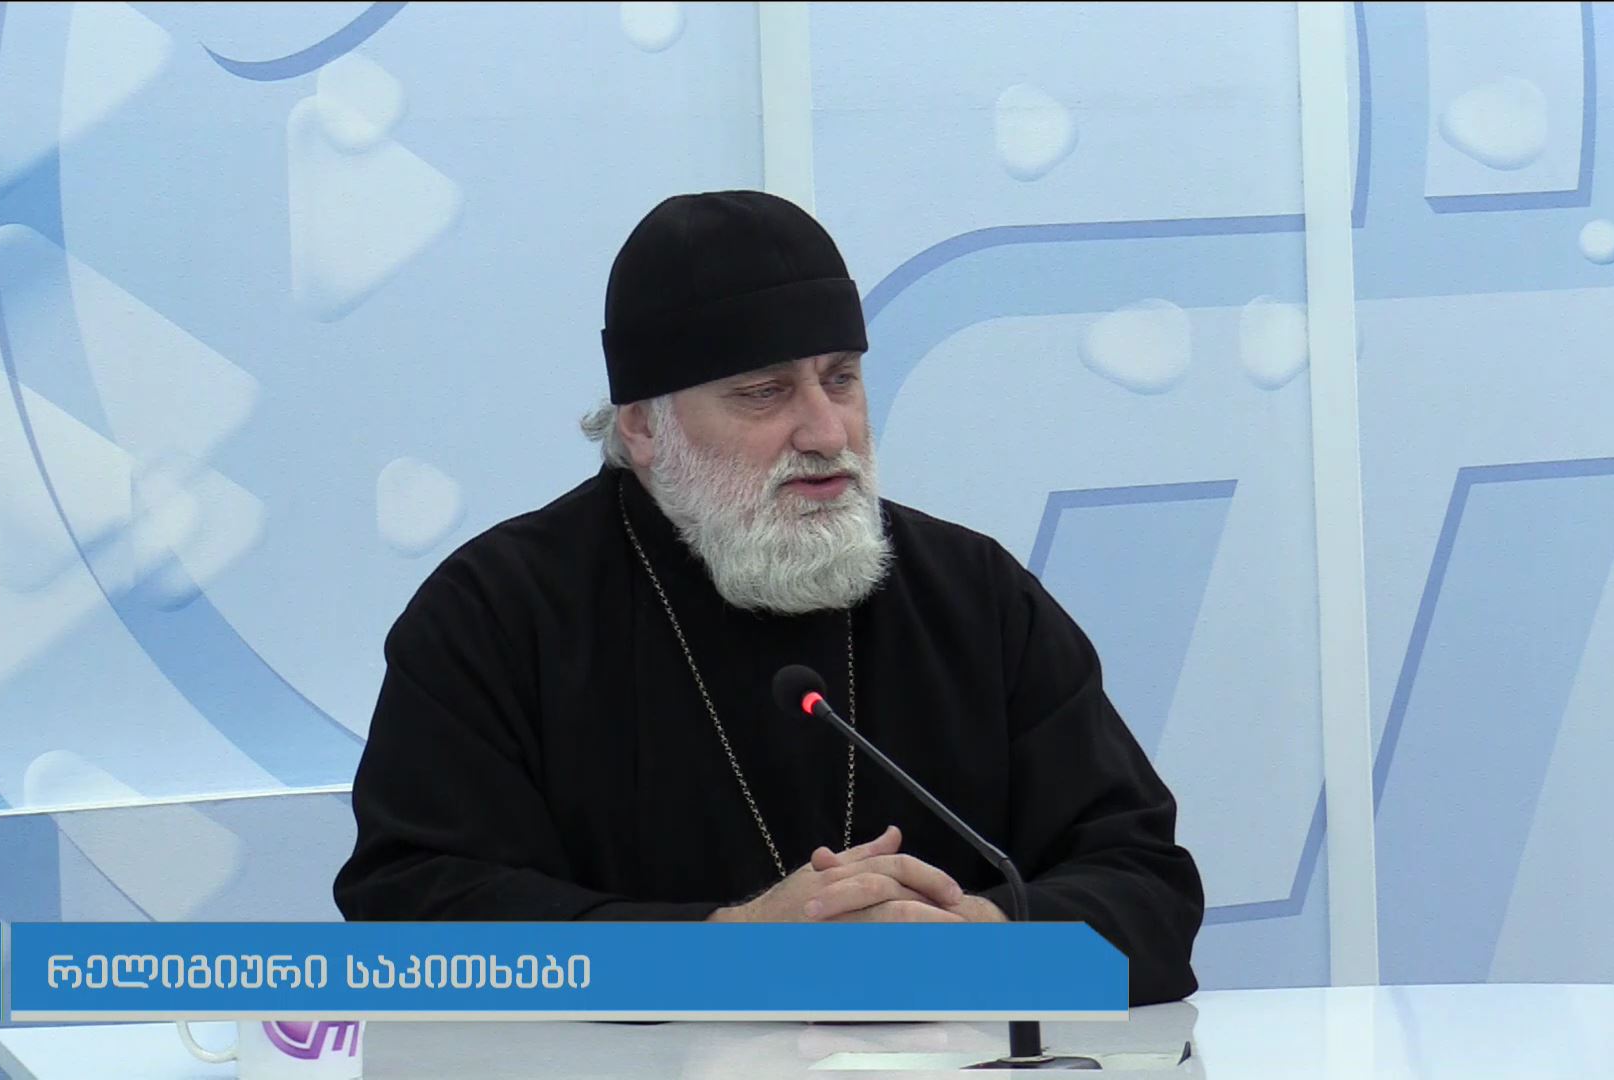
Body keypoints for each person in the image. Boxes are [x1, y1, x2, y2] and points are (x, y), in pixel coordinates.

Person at [334, 190, 1203, 1004]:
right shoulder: (494, 616)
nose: (826, 431)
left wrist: (981, 941)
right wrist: (728, 954)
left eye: (841, 378)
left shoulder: (974, 595)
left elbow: (1149, 891)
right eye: (765, 392)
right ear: (642, 425)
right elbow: (411, 925)